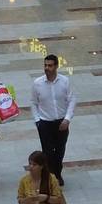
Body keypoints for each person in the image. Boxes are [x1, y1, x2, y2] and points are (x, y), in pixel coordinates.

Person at [31, 54, 75, 185]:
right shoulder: (37, 83)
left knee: (60, 150)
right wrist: (37, 121)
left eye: (50, 65)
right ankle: (51, 176)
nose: (47, 68)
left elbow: (72, 99)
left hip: (61, 122)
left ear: (56, 66)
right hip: (45, 123)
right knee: (48, 152)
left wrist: (67, 119)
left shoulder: (65, 81)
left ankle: (57, 172)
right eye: (45, 65)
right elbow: (33, 102)